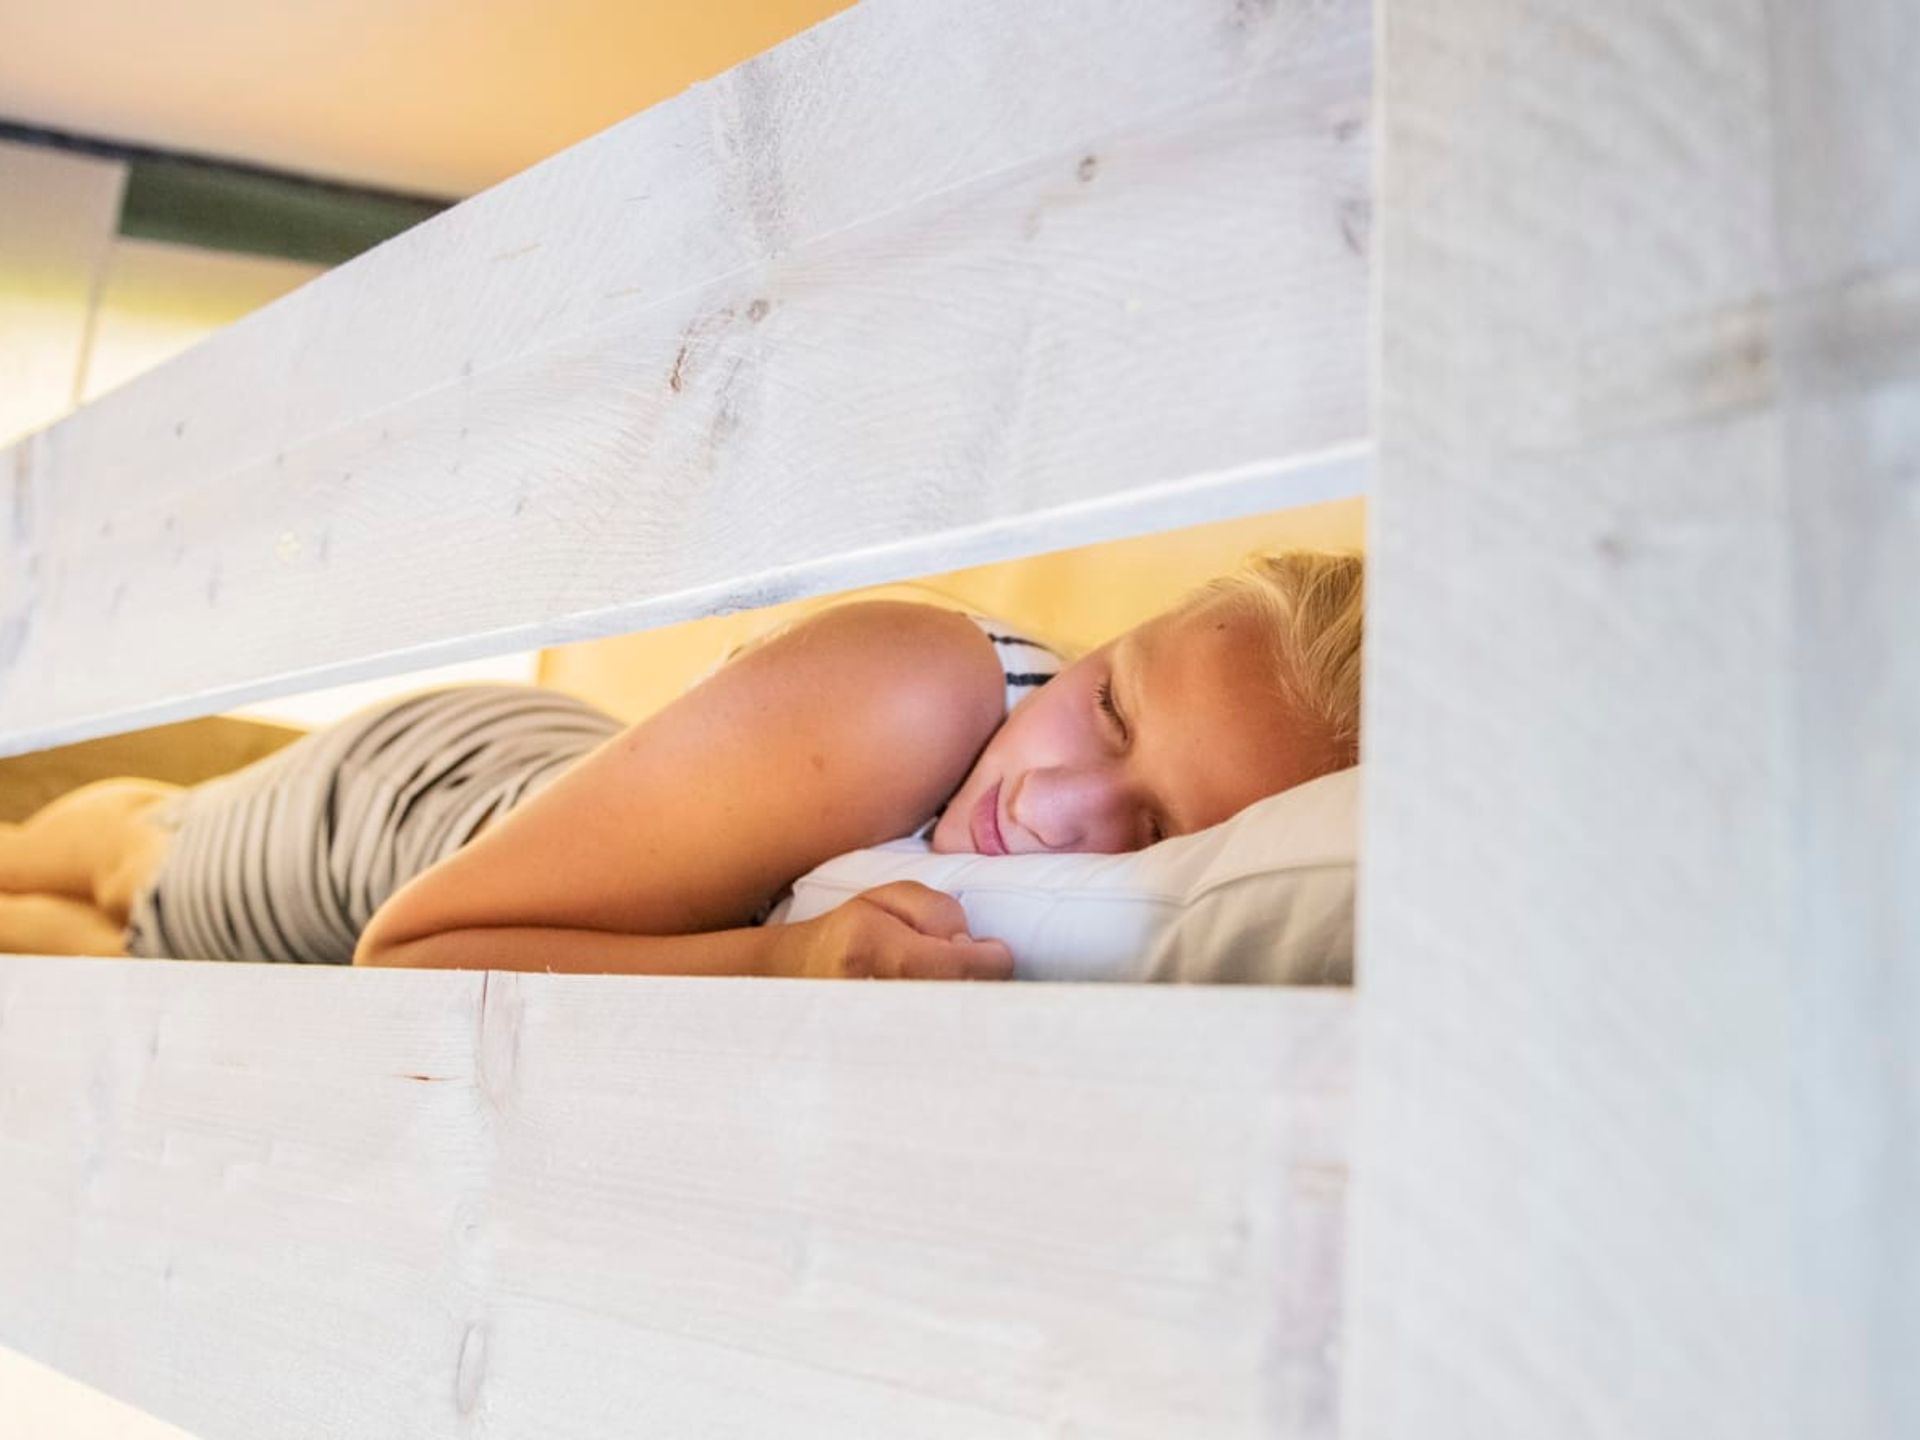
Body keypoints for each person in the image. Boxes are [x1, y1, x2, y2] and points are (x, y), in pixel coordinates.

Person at [0, 551, 1363, 979]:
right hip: (420, 817)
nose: (1056, 808)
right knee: (133, 879)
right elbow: (412, 953)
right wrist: (781, 964)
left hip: (579, 822)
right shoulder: (915, 686)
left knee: (107, 954)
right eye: (1108, 705)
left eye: (1158, 831)